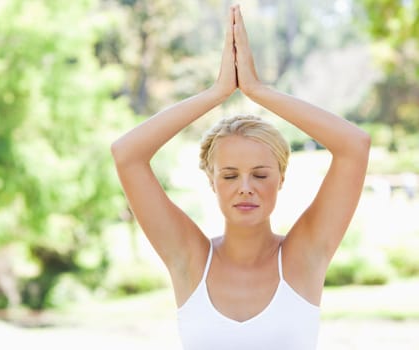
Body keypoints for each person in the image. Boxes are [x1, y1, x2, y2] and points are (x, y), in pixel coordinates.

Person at [111, 4, 370, 350]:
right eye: (230, 176)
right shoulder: (190, 260)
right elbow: (127, 154)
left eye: (260, 174)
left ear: (280, 178)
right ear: (211, 180)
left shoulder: (302, 256)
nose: (245, 188)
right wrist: (217, 92)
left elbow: (355, 145)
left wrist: (257, 90)